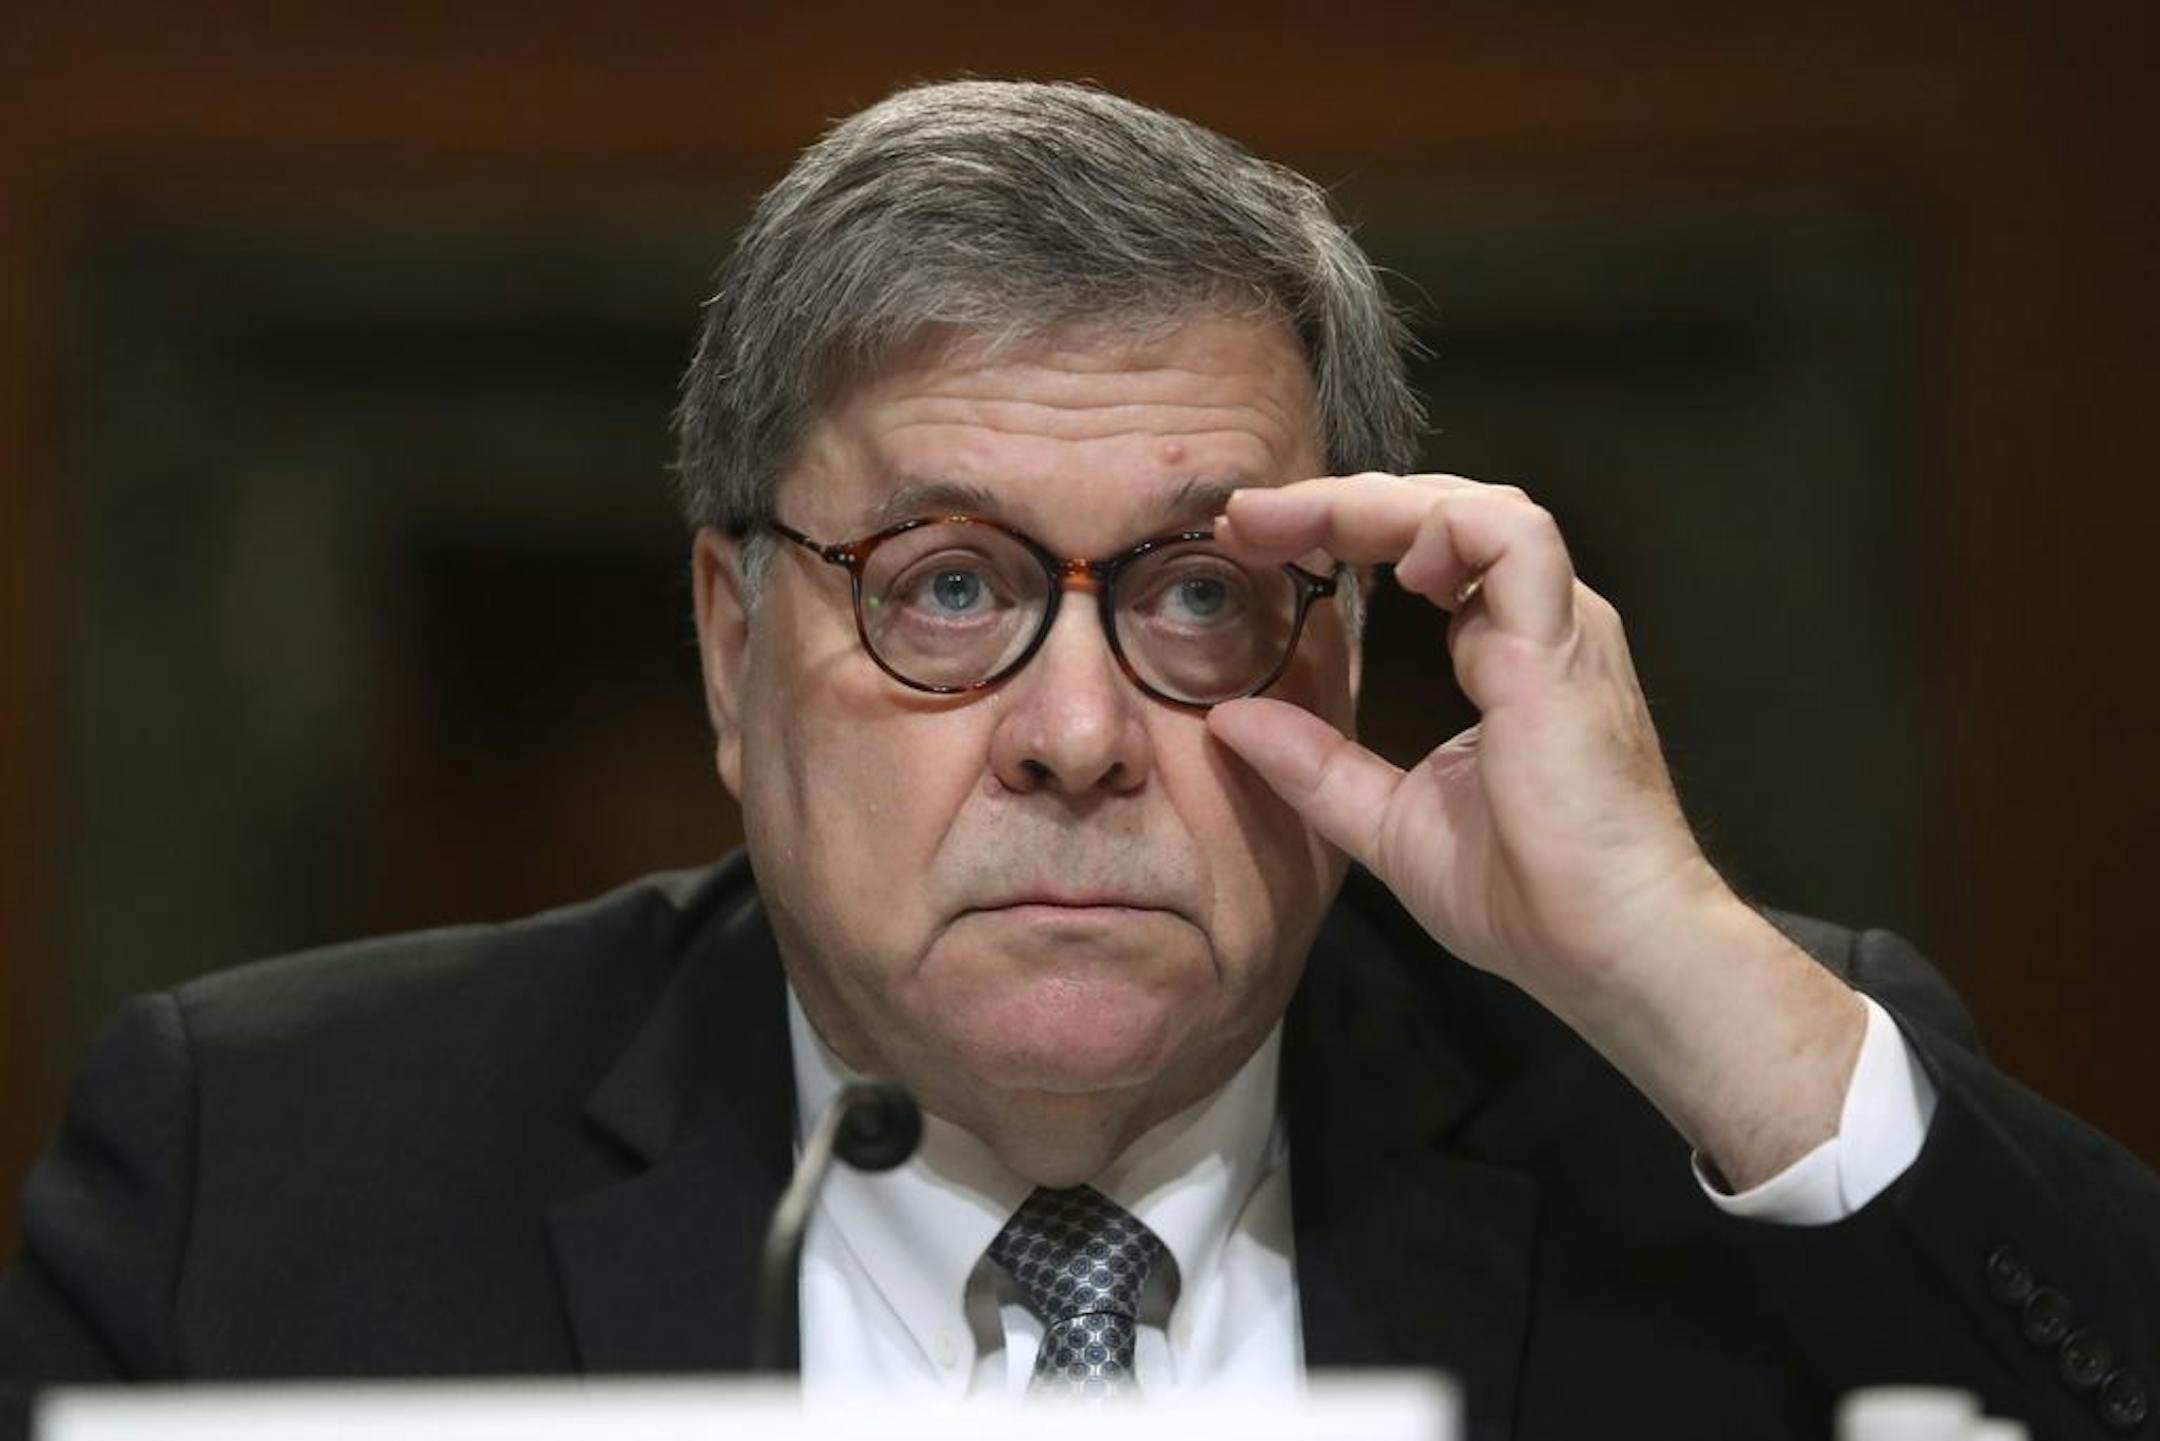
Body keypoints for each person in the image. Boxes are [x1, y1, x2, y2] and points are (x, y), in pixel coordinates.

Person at [2, 79, 2155, 1440]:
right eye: (945, 588)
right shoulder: (262, 1170)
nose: (1077, 734)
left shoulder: (1696, 1117)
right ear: (735, 651)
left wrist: (1687, 966)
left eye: (1199, 594)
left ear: (1341, 644)